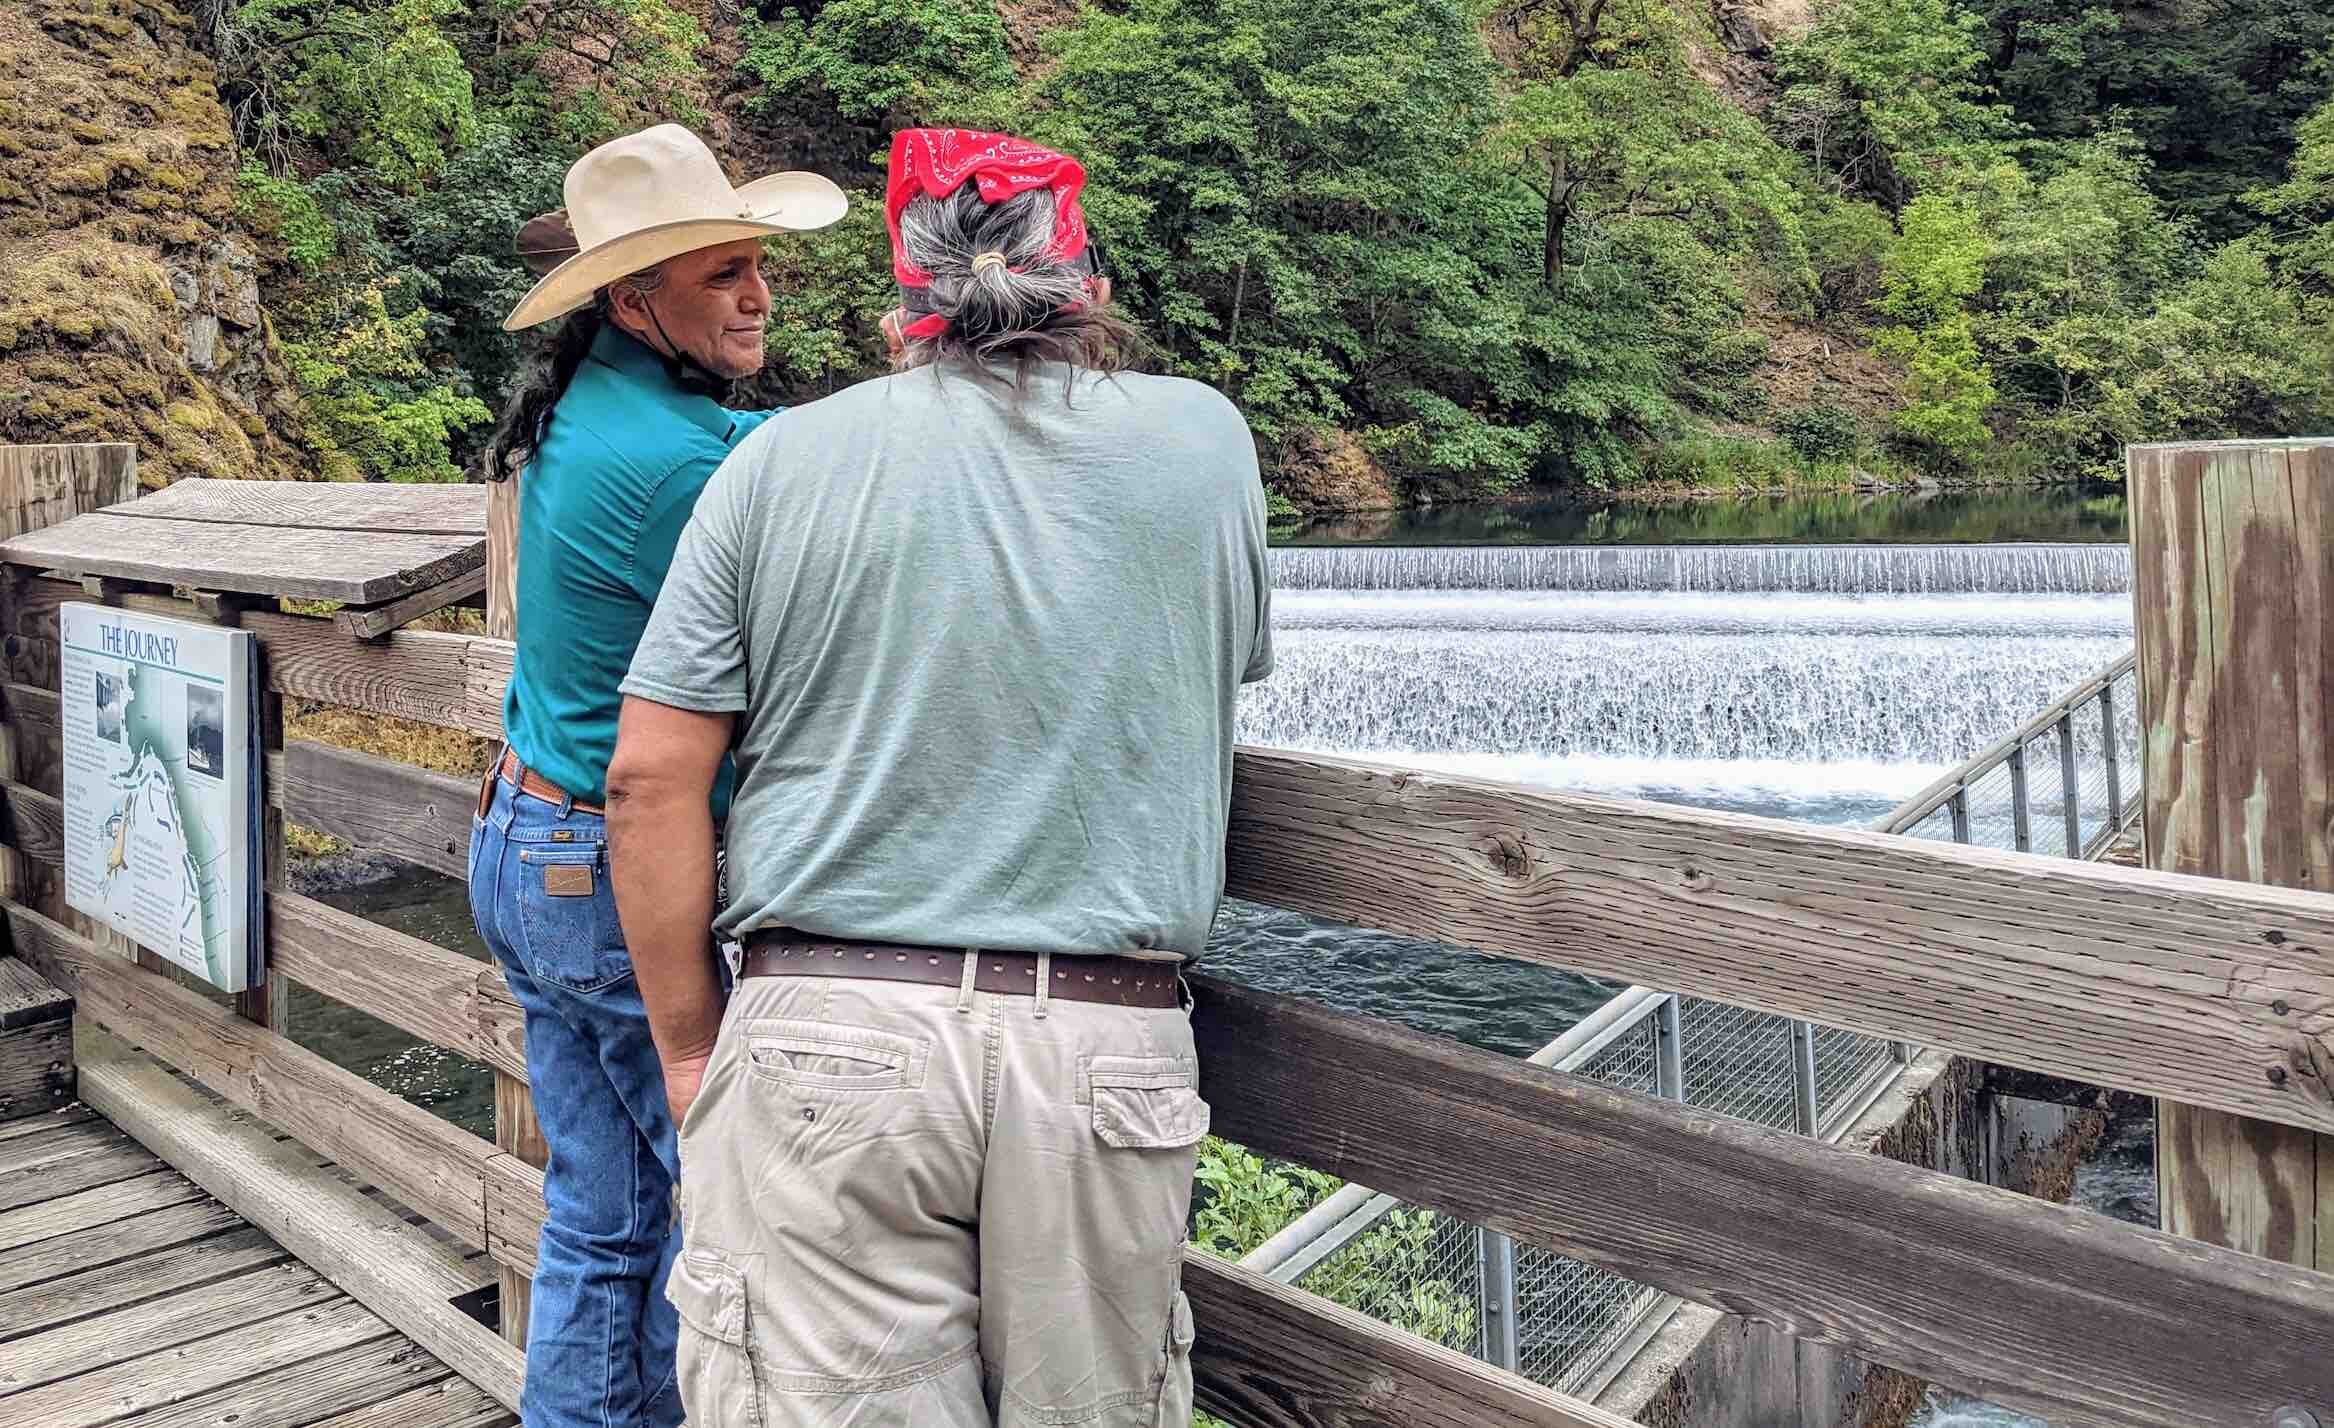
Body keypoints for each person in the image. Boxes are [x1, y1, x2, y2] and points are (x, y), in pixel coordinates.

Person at [604, 126, 1274, 1427]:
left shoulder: (775, 461)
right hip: (1103, 1042)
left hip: (831, 1039)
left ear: (904, 300)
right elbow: (1206, 670)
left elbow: (647, 780)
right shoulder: (1203, 440)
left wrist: (691, 1050)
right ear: (1088, 287)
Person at [470, 122, 845, 1428]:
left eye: (756, 265)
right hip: (610, 882)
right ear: (633, 299)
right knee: (732, 1216)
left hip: (526, 839)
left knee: (600, 1210)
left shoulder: (587, 408)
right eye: (720, 274)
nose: (757, 295)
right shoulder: (690, 463)